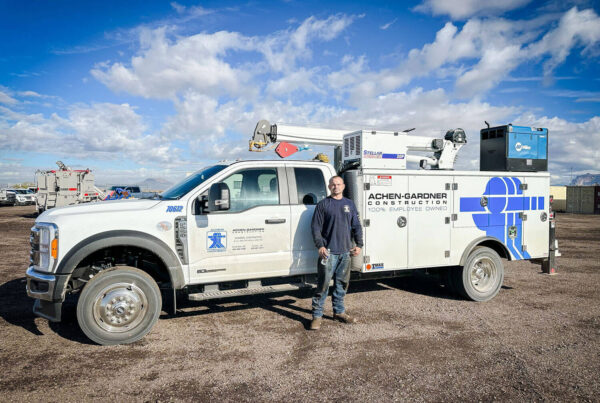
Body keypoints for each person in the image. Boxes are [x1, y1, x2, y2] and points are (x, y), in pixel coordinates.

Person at [310, 175, 363, 330]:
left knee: (342, 284)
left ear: (344, 186)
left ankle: (339, 312)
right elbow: (315, 228)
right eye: (333, 184)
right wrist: (320, 246)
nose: (336, 187)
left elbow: (356, 226)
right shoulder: (323, 205)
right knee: (323, 285)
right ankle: (317, 316)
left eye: (338, 184)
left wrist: (359, 244)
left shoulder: (349, 204)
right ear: (329, 187)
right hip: (328, 253)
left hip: (345, 253)